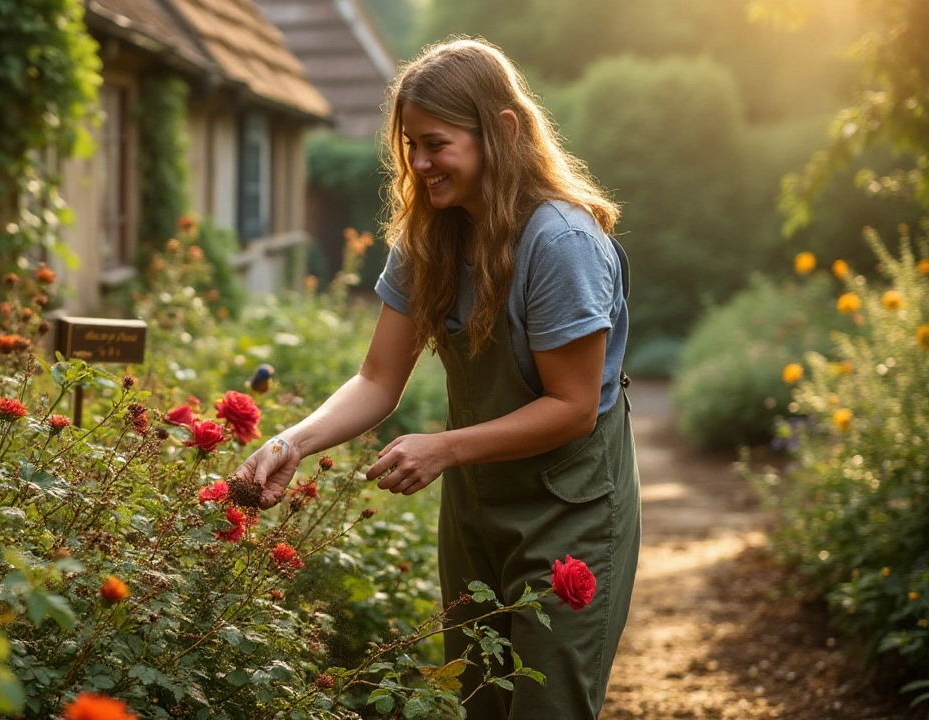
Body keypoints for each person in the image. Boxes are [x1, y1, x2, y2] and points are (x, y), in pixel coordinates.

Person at [233, 37, 641, 719]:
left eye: (436, 143)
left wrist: (445, 446)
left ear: (502, 131)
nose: (419, 164)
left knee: (548, 706)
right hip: (479, 505)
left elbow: (573, 408)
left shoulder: (561, 244)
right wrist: (292, 443)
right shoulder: (432, 237)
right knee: (481, 701)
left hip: (571, 509)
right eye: (409, 146)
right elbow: (376, 379)